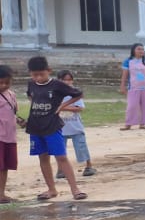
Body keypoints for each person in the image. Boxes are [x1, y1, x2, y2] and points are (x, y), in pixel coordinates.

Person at [25, 56, 86, 201]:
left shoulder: (57, 85)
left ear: (49, 71)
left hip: (52, 125)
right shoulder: (31, 84)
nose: (38, 78)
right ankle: (51, 189)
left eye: (42, 74)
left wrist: (62, 106)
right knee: (43, 157)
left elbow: (78, 94)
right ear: (30, 74)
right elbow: (30, 96)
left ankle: (75, 189)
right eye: (35, 75)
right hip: (35, 126)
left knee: (61, 157)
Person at [55, 71, 96, 176]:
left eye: (69, 79)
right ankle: (61, 169)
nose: (67, 82)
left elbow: (79, 108)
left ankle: (89, 166)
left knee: (81, 146)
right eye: (64, 79)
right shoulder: (55, 93)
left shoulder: (75, 92)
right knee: (60, 150)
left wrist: (62, 107)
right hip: (60, 127)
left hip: (75, 126)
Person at [119, 42, 145, 130]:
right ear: (133, 50)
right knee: (132, 105)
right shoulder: (128, 61)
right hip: (133, 87)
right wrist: (122, 86)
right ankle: (128, 124)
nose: (141, 51)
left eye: (142, 49)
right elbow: (124, 75)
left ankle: (143, 123)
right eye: (139, 49)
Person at [0, 64, 19, 204]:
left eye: (7, 82)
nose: (4, 85)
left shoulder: (12, 95)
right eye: (0, 82)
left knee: (4, 166)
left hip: (9, 136)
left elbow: (12, 113)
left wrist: (19, 121)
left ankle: (1, 193)